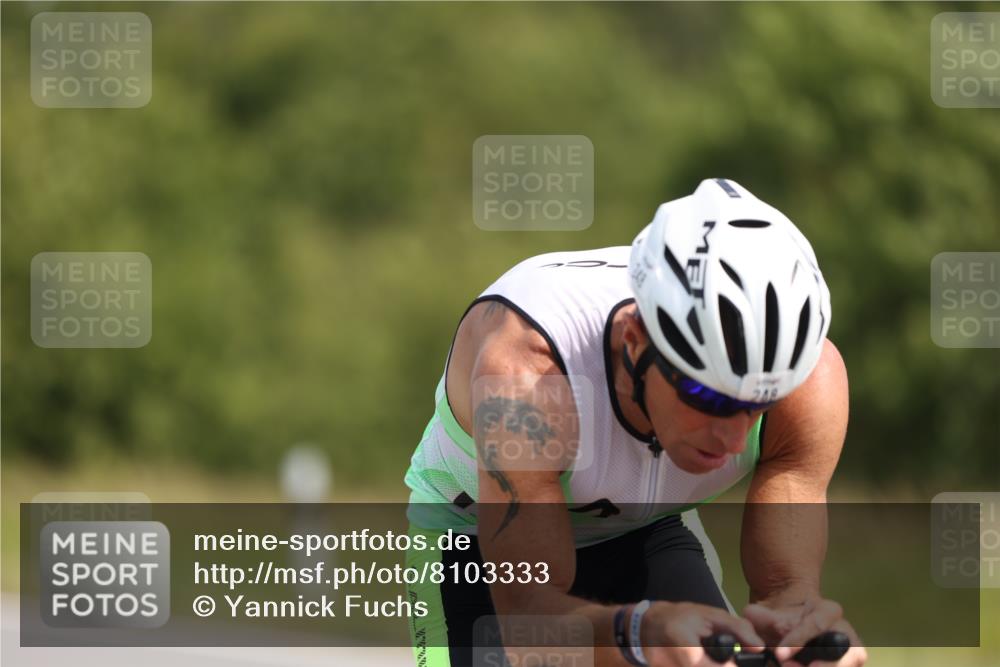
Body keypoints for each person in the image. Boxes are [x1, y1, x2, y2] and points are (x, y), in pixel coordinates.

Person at [404, 179, 867, 667]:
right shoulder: (528, 375)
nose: (733, 438)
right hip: (472, 539)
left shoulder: (810, 385)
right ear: (635, 340)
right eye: (705, 395)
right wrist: (636, 635)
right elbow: (527, 623)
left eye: (759, 404)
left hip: (645, 530)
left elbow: (785, 594)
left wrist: (800, 634)